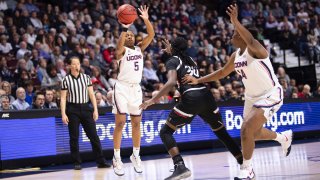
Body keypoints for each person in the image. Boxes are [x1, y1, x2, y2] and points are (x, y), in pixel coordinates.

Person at [182, 4, 293, 180]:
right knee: (252, 133)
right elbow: (221, 73)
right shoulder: (236, 55)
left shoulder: (257, 49)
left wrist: (235, 21)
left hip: (270, 94)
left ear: (243, 36)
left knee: (247, 129)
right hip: (251, 97)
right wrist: (198, 80)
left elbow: (250, 40)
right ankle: (283, 137)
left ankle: (247, 170)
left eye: (235, 33)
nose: (233, 35)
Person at [140, 37, 243, 180]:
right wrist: (179, 90)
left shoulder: (173, 61)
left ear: (173, 48)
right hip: (206, 96)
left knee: (165, 132)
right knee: (222, 133)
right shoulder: (191, 60)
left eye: (170, 45)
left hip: (191, 98)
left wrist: (151, 101)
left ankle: (180, 166)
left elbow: (170, 83)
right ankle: (244, 165)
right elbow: (184, 78)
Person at [112, 5, 155, 176]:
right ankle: (116, 157)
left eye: (131, 34)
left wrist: (145, 19)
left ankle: (135, 155)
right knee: (121, 122)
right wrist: (124, 28)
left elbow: (151, 35)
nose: (129, 36)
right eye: (127, 35)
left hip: (136, 89)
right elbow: (117, 49)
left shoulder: (139, 48)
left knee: (136, 123)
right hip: (121, 88)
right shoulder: (121, 52)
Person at [60, 56, 111, 170]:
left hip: (86, 108)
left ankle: (101, 161)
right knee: (74, 137)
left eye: (78, 63)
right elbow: (63, 98)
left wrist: (95, 110)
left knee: (94, 136)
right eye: (74, 64)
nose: (77, 66)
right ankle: (77, 162)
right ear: (69, 66)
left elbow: (92, 95)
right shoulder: (65, 80)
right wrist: (63, 114)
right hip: (72, 109)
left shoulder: (86, 78)